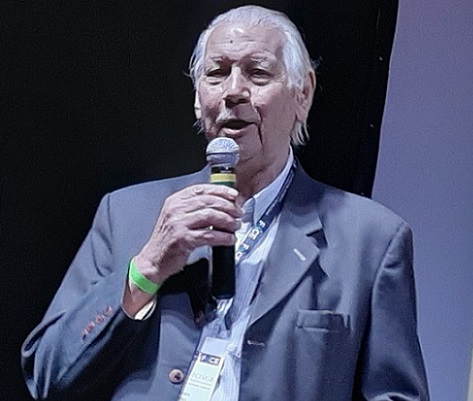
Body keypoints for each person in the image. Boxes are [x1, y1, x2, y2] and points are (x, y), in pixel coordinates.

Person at [21, 5, 429, 401]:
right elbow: (48, 374)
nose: (234, 91)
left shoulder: (371, 240)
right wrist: (147, 267)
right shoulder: (125, 214)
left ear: (303, 94)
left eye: (258, 73)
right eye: (216, 73)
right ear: (199, 99)